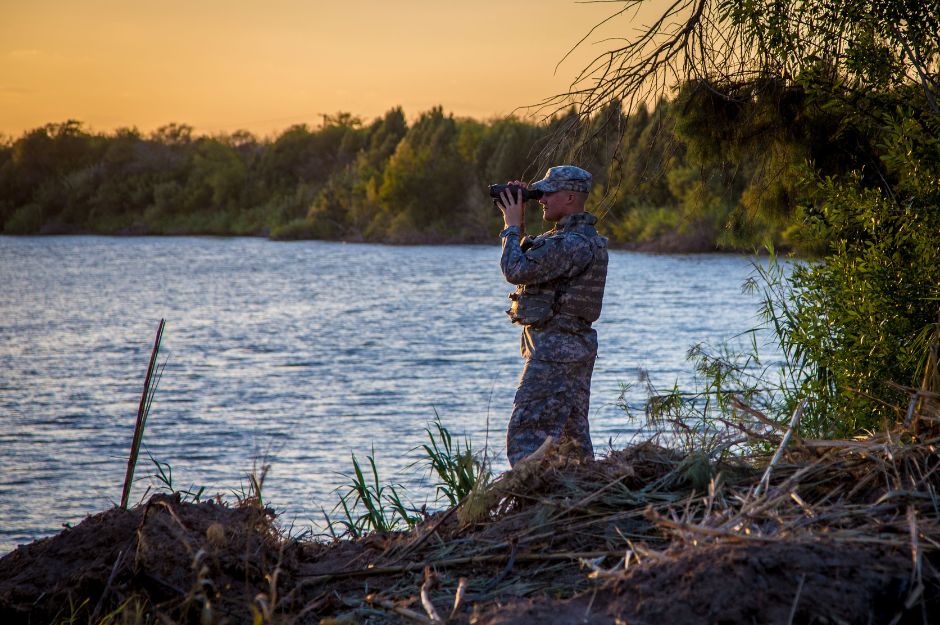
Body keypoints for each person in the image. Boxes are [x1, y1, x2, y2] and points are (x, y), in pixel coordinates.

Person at [496, 165, 608, 467]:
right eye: (539, 193)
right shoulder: (577, 240)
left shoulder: (571, 244)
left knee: (526, 436)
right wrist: (519, 227)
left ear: (570, 197)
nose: (541, 199)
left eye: (548, 192)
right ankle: (579, 504)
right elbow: (531, 265)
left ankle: (530, 503)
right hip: (571, 350)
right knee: (572, 441)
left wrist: (510, 225)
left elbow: (515, 270)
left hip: (555, 352)